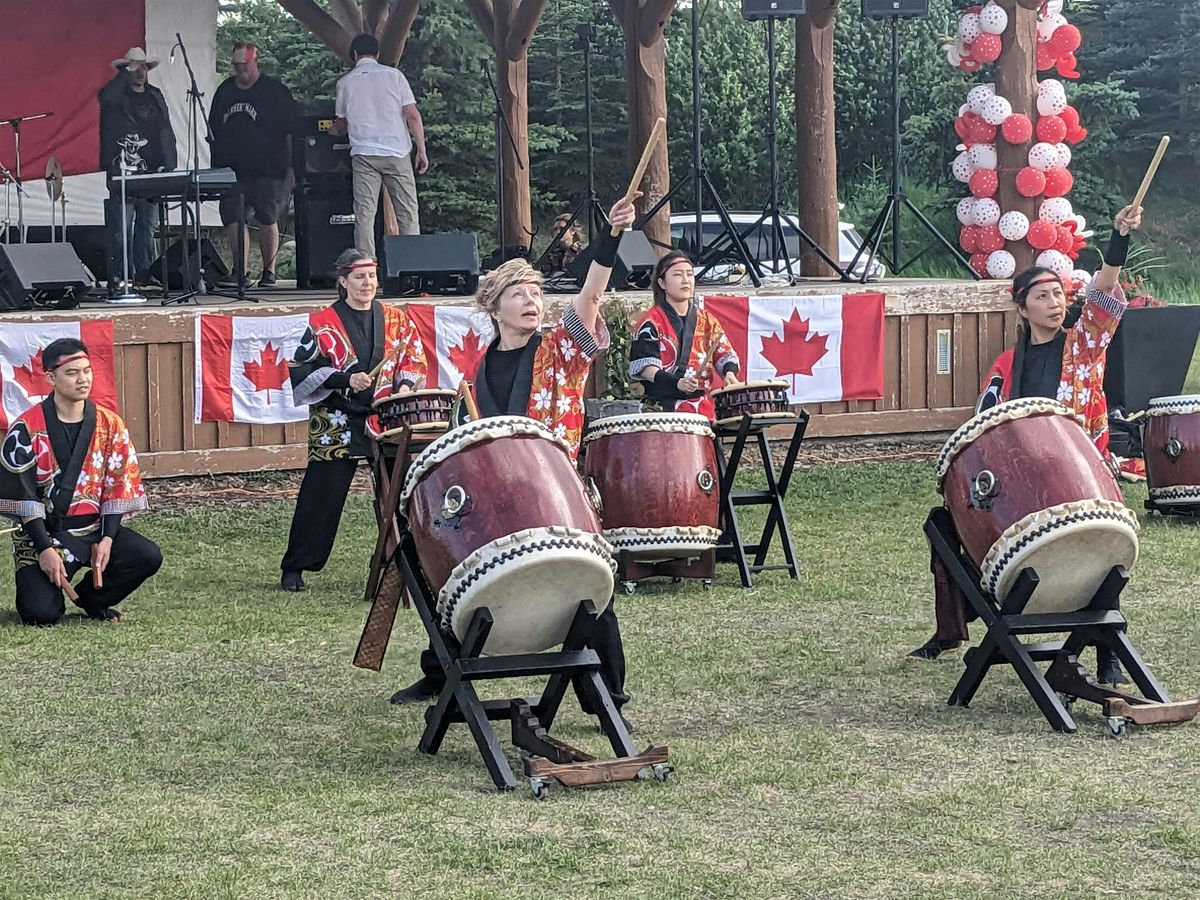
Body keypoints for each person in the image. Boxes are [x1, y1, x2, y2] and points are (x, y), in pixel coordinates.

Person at [390, 194, 638, 728]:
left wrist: (611, 235)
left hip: (553, 487)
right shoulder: (473, 375)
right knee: (449, 566)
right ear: (493, 306)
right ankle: (441, 673)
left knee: (586, 589)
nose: (532, 301)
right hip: (497, 495)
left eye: (536, 292)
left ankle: (608, 697)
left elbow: (591, 297)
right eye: (519, 294)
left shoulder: (560, 347)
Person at [909, 204, 1144, 685]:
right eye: (1043, 295)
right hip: (1025, 483)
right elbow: (986, 426)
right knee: (944, 522)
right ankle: (952, 629)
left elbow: (1103, 293)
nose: (1056, 302)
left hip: (1083, 472)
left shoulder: (1084, 345)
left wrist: (1118, 239)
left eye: (1059, 293)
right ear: (1022, 307)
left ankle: (1107, 655)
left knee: (1099, 552)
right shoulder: (1007, 365)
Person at [279, 248, 428, 592]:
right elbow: (304, 369)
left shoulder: (395, 318)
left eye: (372, 276)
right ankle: (296, 565)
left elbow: (413, 358)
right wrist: (345, 380)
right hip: (336, 418)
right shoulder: (321, 322)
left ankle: (408, 560)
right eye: (359, 277)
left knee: (401, 489)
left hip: (386, 415)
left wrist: (404, 384)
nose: (367, 283)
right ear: (343, 281)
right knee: (322, 492)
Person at [0, 339, 162, 625]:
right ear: (51, 377)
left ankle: (90, 599)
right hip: (44, 533)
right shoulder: (26, 428)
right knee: (41, 615)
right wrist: (45, 549)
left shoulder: (110, 424)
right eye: (72, 373)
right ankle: (44, 588)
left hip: (93, 529)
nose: (83, 379)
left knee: (147, 556)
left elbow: (118, 485)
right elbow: (23, 497)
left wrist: (108, 538)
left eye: (87, 371)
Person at [209, 42, 299, 288]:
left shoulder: (274, 91)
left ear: (255, 62)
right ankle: (240, 271)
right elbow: (213, 129)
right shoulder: (225, 91)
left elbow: (291, 131)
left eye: (245, 66)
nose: (241, 71)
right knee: (232, 217)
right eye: (237, 66)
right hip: (231, 169)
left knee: (267, 217)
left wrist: (292, 167)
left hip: (269, 168)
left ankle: (268, 272)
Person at [330, 33, 428, 258]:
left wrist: (333, 131)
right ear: (377, 54)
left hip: (364, 154)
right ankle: (410, 266)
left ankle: (366, 267)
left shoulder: (345, 83)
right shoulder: (395, 76)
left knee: (364, 214)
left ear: (354, 55)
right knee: (407, 212)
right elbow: (412, 115)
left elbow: (341, 124)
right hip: (397, 152)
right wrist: (421, 149)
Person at [98, 47, 178, 295]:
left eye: (143, 67)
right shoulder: (115, 97)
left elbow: (165, 128)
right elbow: (104, 97)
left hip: (151, 170)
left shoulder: (155, 95)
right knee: (122, 228)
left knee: (147, 226)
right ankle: (121, 277)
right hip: (123, 169)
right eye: (135, 67)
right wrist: (123, 75)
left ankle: (144, 274)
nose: (140, 72)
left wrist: (170, 161)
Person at [629, 251, 742, 419]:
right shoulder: (651, 322)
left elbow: (725, 354)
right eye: (677, 274)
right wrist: (677, 383)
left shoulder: (707, 320)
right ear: (662, 283)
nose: (686, 280)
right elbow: (647, 370)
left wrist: (729, 374)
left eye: (690, 274)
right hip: (661, 409)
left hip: (701, 408)